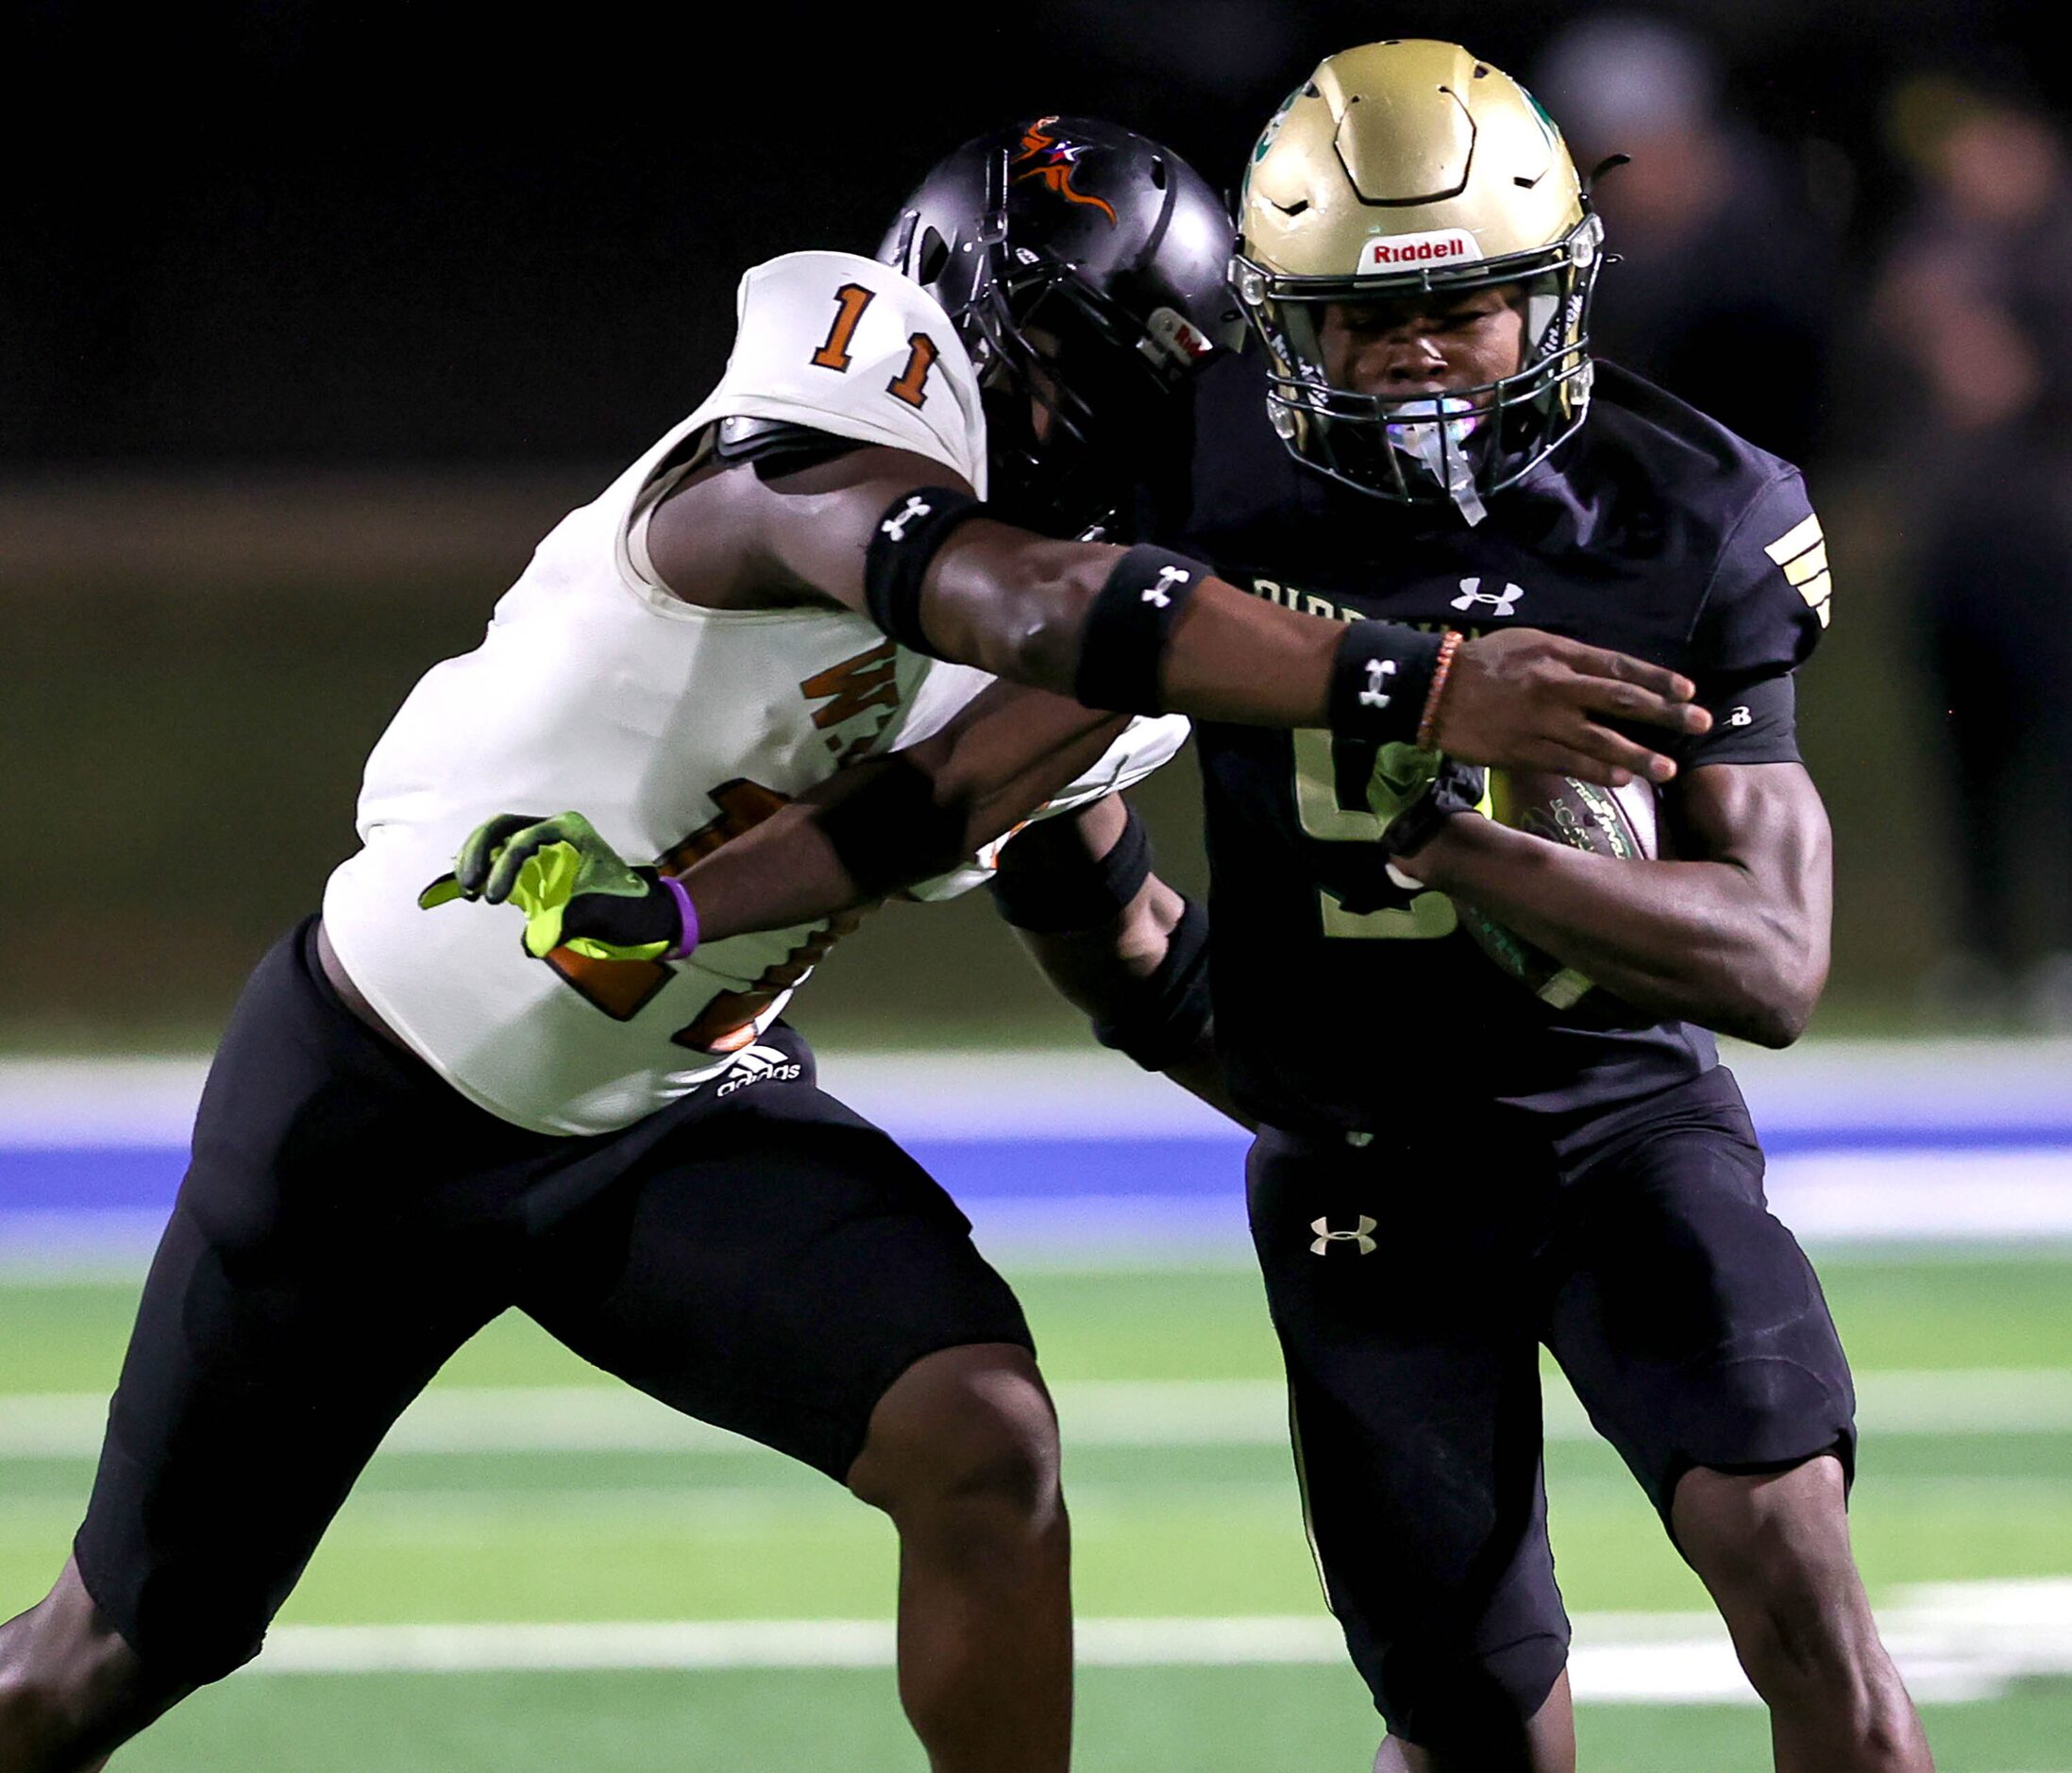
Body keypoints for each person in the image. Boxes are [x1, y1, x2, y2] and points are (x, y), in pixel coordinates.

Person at [0, 114, 1705, 1773]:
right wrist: (1415, 674)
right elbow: (1004, 599)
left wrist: (1370, 1104)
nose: (1101, 429)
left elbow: (1124, 945)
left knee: (982, 1438)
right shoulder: (810, 431)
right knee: (107, 1661)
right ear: (956, 316)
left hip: (672, 1110)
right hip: (381, 1087)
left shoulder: (1085, 623)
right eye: (1070, 373)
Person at [1094, 40, 1923, 1773]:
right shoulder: (1194, 472)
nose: (1411, 353)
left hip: (1615, 1117)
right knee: (1480, 1731)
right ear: (1275, 316)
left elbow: (1774, 960)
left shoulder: (1689, 505)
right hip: (1356, 1150)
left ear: (1555, 292)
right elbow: (1013, 757)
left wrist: (1465, 848)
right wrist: (1156, 992)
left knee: (1800, 1572)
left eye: (1466, 306)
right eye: (1364, 317)